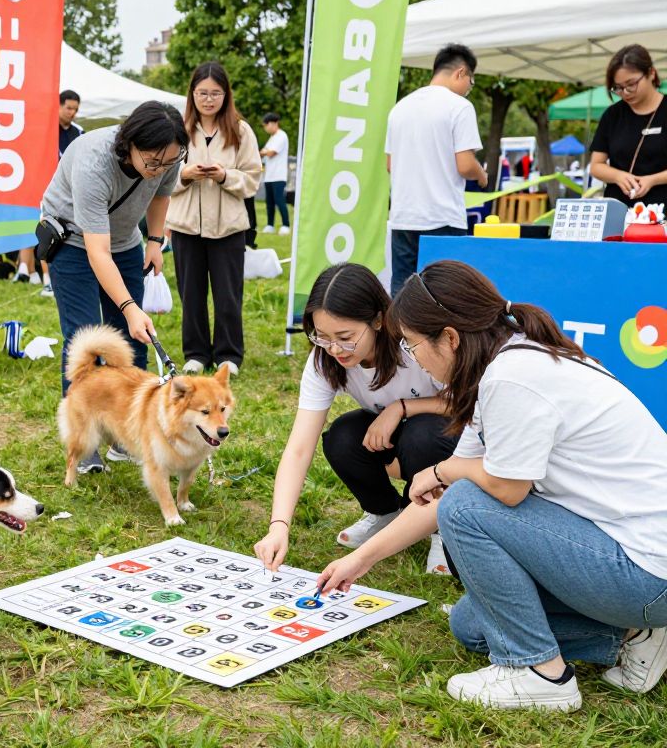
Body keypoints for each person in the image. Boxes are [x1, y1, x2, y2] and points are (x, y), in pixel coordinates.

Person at [318, 260, 667, 711]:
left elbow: (501, 490)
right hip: (628, 559)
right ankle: (637, 634)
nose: (412, 357)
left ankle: (542, 675)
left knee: (466, 504)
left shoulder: (512, 377)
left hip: (646, 569)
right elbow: (447, 493)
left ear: (450, 337)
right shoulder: (501, 370)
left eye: (413, 344)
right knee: (472, 625)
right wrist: (359, 561)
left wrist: (444, 472)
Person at [253, 262, 456, 576]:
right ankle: (384, 511)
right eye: (322, 336)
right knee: (342, 437)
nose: (334, 348)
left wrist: (402, 407)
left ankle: (442, 529)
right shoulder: (325, 360)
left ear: (377, 320)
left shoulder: (412, 344)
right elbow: (298, 448)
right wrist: (279, 525)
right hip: (394, 434)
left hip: (445, 433)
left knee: (422, 436)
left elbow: (465, 403)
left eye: (345, 337)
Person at [42, 100, 187, 473]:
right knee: (85, 335)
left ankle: (127, 434)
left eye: (168, 163)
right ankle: (84, 440)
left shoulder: (170, 155)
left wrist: (155, 241)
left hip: (125, 242)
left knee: (131, 340)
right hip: (74, 241)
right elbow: (97, 251)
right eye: (152, 162)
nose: (159, 170)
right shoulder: (94, 161)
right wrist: (129, 305)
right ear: (130, 145)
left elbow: (160, 195)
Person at [167, 62, 261, 376]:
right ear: (192, 94)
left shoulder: (240, 130)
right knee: (190, 293)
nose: (209, 99)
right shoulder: (178, 129)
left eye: (215, 93)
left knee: (228, 295)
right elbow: (162, 176)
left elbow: (252, 179)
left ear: (226, 95)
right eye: (202, 93)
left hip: (229, 227)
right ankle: (195, 353)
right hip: (186, 225)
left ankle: (228, 355)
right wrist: (185, 175)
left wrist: (224, 176)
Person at [385, 44, 487, 296]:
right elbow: (465, 165)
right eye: (471, 83)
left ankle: (400, 335)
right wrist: (481, 174)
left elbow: (390, 164)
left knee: (403, 290)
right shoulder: (459, 107)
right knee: (443, 291)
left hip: (403, 215)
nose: (468, 90)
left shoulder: (400, 108)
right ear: (461, 72)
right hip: (442, 216)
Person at [15, 89, 85, 292]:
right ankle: (39, 275)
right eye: (69, 107)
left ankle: (45, 276)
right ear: (59, 105)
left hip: (69, 190)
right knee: (42, 227)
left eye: (75, 109)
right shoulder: (44, 130)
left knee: (60, 230)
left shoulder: (78, 132)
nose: (72, 112)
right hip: (43, 186)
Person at [590, 44, 667, 208]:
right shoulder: (612, 115)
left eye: (631, 84)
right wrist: (618, 176)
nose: (625, 92)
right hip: (619, 212)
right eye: (618, 88)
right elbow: (596, 165)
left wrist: (653, 180)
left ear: (651, 73)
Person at [259, 113, 290, 235]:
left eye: (266, 125)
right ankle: (270, 225)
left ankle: (286, 225)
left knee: (279, 200)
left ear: (273, 123)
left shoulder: (282, 136)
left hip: (279, 175)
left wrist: (265, 152)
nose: (266, 128)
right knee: (269, 202)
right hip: (269, 176)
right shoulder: (271, 138)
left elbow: (271, 153)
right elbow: (263, 153)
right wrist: (265, 152)